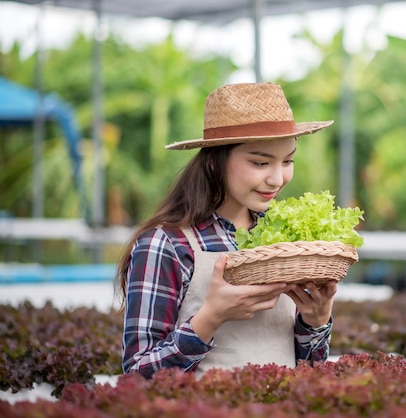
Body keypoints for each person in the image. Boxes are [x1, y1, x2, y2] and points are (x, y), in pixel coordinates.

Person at [116, 82, 336, 378]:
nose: (277, 178)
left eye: (288, 161)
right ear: (214, 162)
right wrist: (209, 319)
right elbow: (137, 372)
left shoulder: (287, 239)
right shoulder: (166, 243)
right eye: (260, 162)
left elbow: (309, 371)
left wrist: (315, 321)